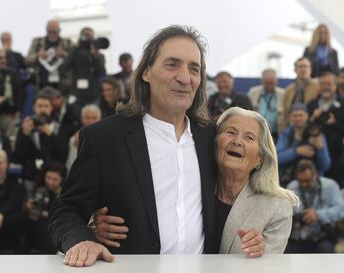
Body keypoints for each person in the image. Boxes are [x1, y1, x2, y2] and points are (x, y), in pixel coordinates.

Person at [49, 25, 263, 267]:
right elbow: (66, 210)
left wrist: (254, 235)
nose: (184, 77)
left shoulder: (212, 138)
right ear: (146, 72)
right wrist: (83, 238)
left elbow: (238, 198)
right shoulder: (104, 138)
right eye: (172, 64)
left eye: (194, 68)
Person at [93, 107, 299, 254]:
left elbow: (271, 267)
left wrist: (260, 252)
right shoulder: (188, 181)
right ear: (214, 142)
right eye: (230, 132)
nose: (237, 141)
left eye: (249, 138)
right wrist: (97, 228)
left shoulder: (277, 206)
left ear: (260, 158)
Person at [286, 159, 344, 253]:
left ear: (315, 175)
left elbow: (341, 209)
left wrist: (318, 215)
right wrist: (299, 215)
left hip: (322, 236)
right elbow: (285, 211)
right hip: (298, 236)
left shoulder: (330, 186)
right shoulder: (292, 187)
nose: (304, 184)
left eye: (307, 180)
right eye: (300, 181)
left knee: (326, 250)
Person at [277, 103, 331, 186]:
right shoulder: (286, 133)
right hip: (288, 179)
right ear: (290, 117)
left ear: (307, 116)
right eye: (295, 116)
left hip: (312, 180)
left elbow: (325, 165)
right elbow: (277, 158)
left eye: (301, 115)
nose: (298, 118)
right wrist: (297, 151)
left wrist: (321, 149)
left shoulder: (316, 133)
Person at [23, 162, 65, 254]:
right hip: (36, 222)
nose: (50, 182)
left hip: (56, 225)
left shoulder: (64, 194)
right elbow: (33, 209)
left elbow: (62, 214)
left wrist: (46, 214)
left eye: (55, 179)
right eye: (48, 178)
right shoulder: (40, 189)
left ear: (62, 179)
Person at [62, 27, 106, 105]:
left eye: (91, 37)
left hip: (93, 95)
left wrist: (95, 56)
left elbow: (102, 74)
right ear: (80, 37)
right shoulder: (74, 53)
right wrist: (75, 49)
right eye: (86, 36)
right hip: (76, 94)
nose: (89, 39)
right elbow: (64, 68)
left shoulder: (99, 55)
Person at [25, 20, 73, 92]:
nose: (52, 34)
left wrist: (64, 54)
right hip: (41, 85)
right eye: (49, 31)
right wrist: (38, 56)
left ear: (59, 30)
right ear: (46, 30)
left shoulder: (68, 42)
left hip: (63, 86)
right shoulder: (37, 42)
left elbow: (75, 60)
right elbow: (27, 60)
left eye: (54, 32)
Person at [248, 68, 285, 139]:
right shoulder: (253, 92)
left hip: (277, 134)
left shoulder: (283, 94)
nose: (269, 83)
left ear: (276, 81)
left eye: (271, 81)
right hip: (256, 133)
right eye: (266, 81)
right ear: (261, 81)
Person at [282, 57, 319, 128]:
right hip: (291, 127)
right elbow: (285, 113)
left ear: (310, 70)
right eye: (300, 66)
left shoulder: (317, 87)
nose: (303, 69)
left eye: (305, 66)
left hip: (311, 126)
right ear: (295, 70)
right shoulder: (288, 90)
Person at [65, 104, 101, 170]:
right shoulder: (74, 138)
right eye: (87, 117)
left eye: (94, 118)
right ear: (82, 119)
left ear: (99, 119)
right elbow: (70, 164)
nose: (91, 121)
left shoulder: (105, 138)